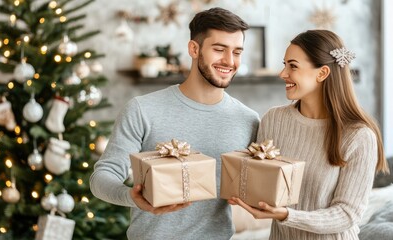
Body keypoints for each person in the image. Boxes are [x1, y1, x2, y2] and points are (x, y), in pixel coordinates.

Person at [90, 7, 260, 240]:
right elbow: (102, 177)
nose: (229, 61)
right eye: (219, 49)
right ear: (194, 49)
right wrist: (133, 197)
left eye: (237, 52)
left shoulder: (249, 120)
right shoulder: (143, 109)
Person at [229, 29, 389, 239]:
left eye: (292, 66)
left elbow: (347, 214)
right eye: (284, 64)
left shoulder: (358, 136)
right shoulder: (274, 120)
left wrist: (288, 215)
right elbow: (262, 181)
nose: (283, 73)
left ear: (322, 73)